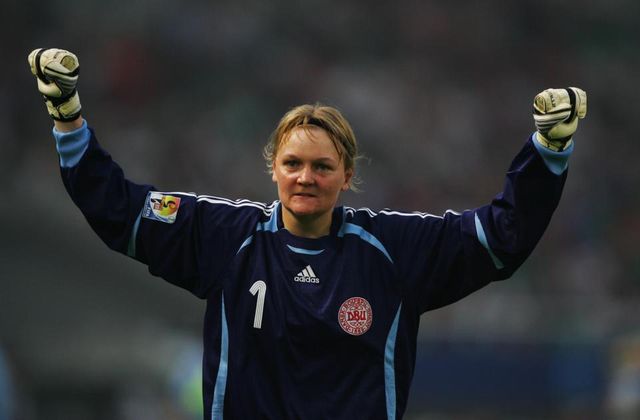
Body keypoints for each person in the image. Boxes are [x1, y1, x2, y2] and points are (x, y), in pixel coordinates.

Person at [28, 48, 587, 420]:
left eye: (323, 166)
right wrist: (67, 115)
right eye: (293, 163)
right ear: (272, 168)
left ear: (347, 174)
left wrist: (548, 150)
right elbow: (119, 210)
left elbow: (500, 237)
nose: (306, 178)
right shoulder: (225, 236)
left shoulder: (394, 250)